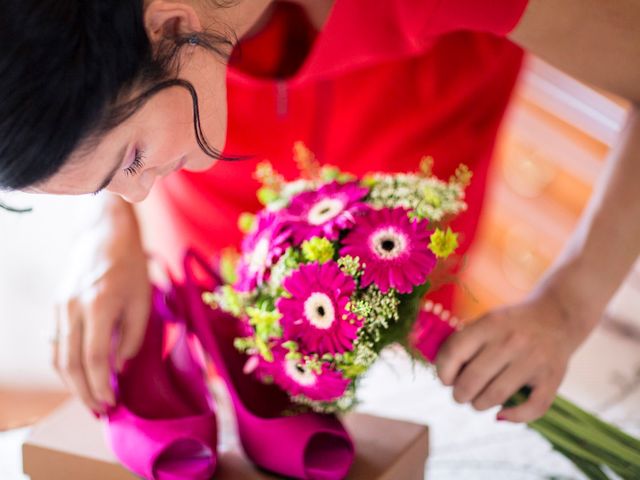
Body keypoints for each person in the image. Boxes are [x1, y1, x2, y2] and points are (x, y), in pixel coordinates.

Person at [1, 0, 639, 425]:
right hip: (208, 293)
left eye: (133, 162)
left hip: (401, 278)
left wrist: (569, 301)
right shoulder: (127, 36)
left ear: (171, 27)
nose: (138, 194)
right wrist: (110, 227)